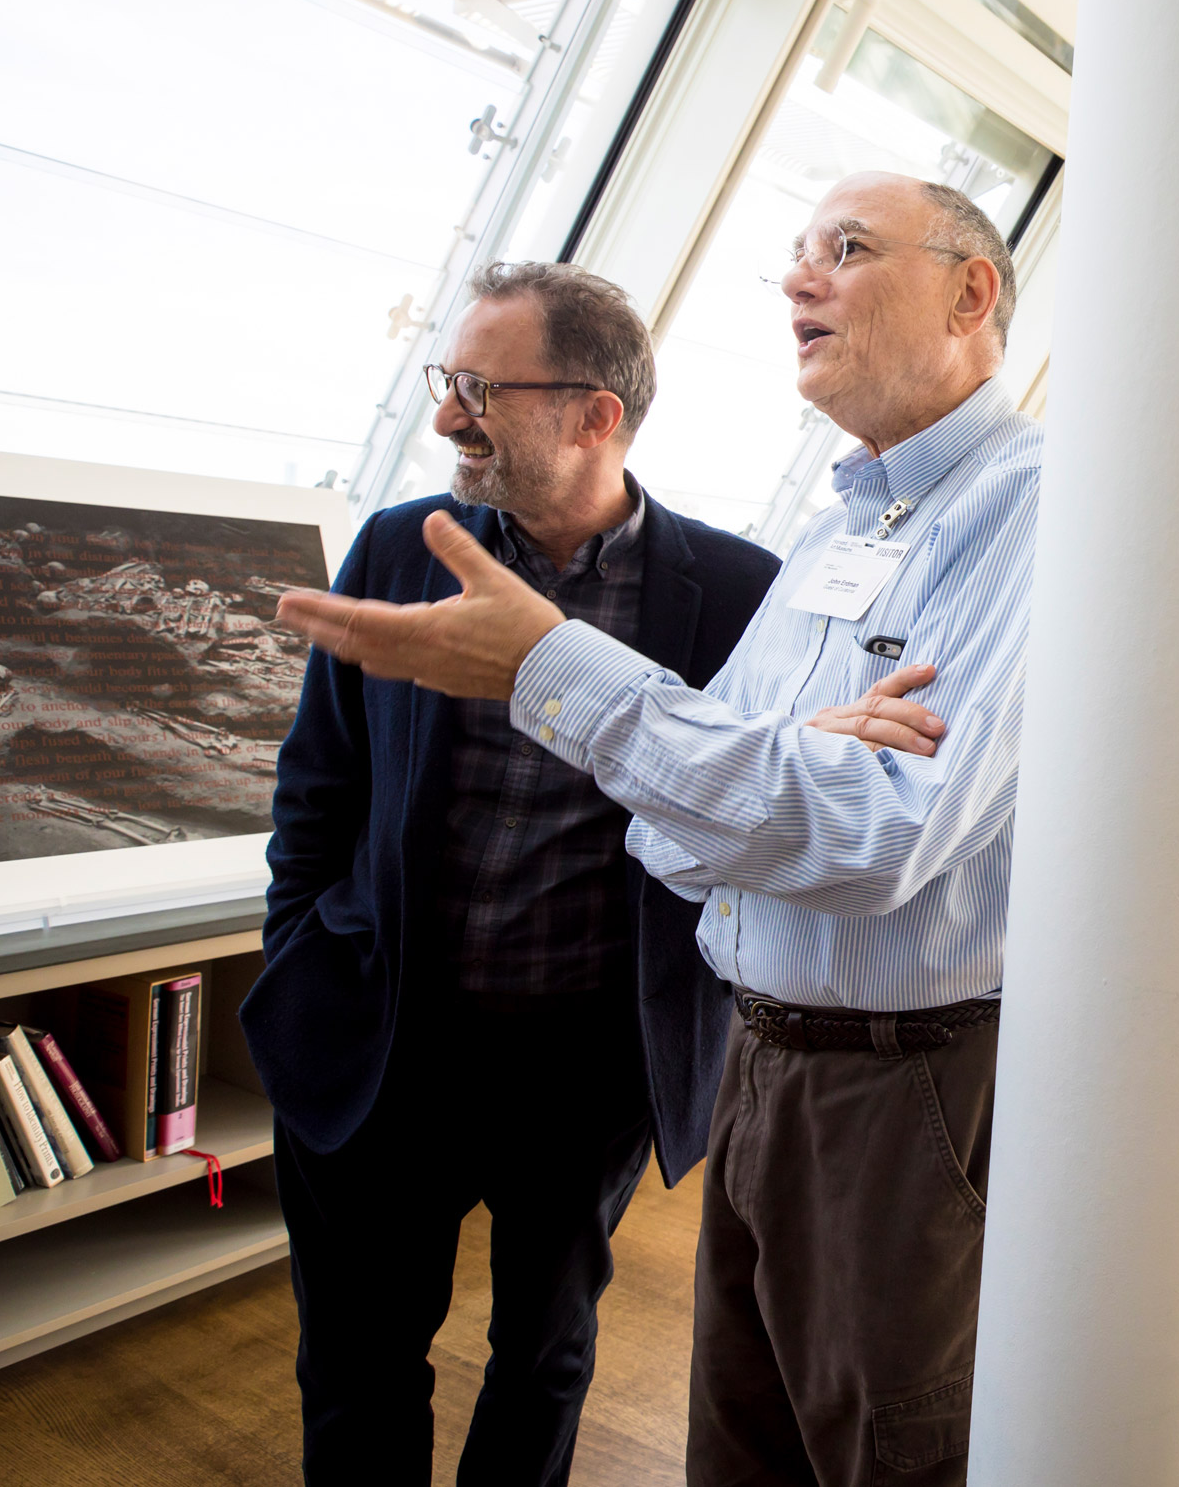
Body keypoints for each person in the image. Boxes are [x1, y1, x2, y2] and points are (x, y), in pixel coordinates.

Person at [275, 172, 1032, 1487]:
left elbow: (862, 836)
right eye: (796, 256)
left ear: (971, 290)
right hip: (446, 1040)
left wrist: (553, 670)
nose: (798, 281)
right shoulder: (836, 528)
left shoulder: (968, 522)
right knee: (717, 1433)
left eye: (844, 251)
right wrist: (773, 759)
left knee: (821, 1424)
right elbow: (677, 837)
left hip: (776, 1068)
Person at [242, 261, 783, 1485]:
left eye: (481, 387)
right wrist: (303, 953)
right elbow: (317, 783)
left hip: (583, 1065)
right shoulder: (396, 547)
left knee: (543, 1351)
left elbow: (750, 807)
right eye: (447, 382)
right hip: (384, 1040)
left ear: (597, 412)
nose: (446, 415)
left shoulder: (741, 596)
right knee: (357, 1357)